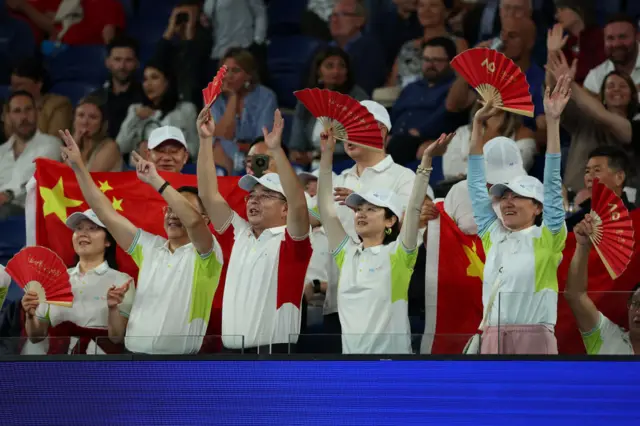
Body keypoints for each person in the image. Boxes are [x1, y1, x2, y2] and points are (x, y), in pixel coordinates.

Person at [59, 129, 224, 354]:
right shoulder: (149, 247)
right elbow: (106, 213)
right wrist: (79, 166)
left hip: (179, 367)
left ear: (205, 219)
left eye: (182, 209)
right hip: (133, 363)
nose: (173, 214)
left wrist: (156, 181)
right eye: (170, 209)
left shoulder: (208, 254)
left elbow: (194, 224)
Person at [318, 124, 451, 353]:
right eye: (359, 208)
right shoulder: (346, 254)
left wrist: (426, 161)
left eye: (372, 209)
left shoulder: (399, 256)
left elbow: (415, 207)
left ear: (390, 221)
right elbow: (324, 207)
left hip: (392, 368)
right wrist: (327, 153)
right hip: (351, 368)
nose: (361, 213)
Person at [466, 74, 571, 355]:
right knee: (490, 401)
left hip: (535, 337)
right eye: (504, 196)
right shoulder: (492, 235)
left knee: (535, 401)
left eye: (519, 196)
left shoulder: (548, 236)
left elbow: (551, 183)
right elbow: (475, 184)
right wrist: (478, 124)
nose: (508, 202)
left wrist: (552, 121)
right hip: (492, 336)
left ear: (538, 207)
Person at [196, 107, 312, 353]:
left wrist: (277, 151)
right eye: (252, 195)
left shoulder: (293, 242)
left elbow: (300, 204)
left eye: (266, 195)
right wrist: (206, 141)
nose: (254, 200)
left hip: (276, 356)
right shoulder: (239, 234)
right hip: (231, 355)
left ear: (285, 208)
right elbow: (207, 193)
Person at [21, 209, 135, 354]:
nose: (83, 233)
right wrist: (30, 314)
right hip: (56, 366)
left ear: (108, 241)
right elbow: (36, 337)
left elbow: (117, 338)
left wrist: (112, 308)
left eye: (92, 228)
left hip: (100, 366)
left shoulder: (122, 281)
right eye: (78, 228)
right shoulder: (53, 279)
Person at [546, 50, 640, 192]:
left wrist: (570, 83)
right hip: (573, 198)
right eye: (610, 86)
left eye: (622, 86)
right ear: (602, 96)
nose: (616, 90)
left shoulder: (634, 127)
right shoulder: (583, 119)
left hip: (617, 204)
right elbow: (555, 97)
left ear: (632, 96)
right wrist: (553, 52)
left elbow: (603, 116)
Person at [565, 216, 639, 354]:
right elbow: (575, 296)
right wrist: (583, 247)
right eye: (636, 304)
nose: (638, 312)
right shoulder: (606, 335)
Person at [288, 46, 369, 166]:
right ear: (318, 71)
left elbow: (357, 144)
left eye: (341, 66)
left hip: (346, 163)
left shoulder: (358, 98)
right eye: (329, 66)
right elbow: (296, 143)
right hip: (311, 164)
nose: (336, 71)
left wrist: (317, 155)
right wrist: (297, 154)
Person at [210, 47, 277, 175]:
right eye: (225, 71)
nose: (229, 76)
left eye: (235, 71)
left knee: (262, 149)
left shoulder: (266, 97)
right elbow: (222, 134)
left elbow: (262, 138)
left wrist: (245, 147)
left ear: (248, 75)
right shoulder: (213, 97)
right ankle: (223, 190)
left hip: (257, 154)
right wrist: (232, 97)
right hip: (226, 154)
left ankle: (255, 186)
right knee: (217, 145)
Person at [116, 58, 198, 160]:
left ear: (167, 81)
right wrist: (135, 118)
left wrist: (166, 150)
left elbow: (195, 149)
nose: (148, 84)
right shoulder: (136, 110)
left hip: (175, 169)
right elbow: (121, 147)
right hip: (141, 170)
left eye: (154, 78)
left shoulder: (186, 109)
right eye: (145, 79)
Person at [0, 90, 60, 219]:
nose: (24, 117)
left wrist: (8, 194)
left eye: (28, 110)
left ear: (37, 112)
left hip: (29, 212)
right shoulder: (2, 151)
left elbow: (37, 183)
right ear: (8, 116)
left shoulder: (50, 144)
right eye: (17, 111)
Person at [565, 146, 636, 231]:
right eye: (587, 171)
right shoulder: (579, 220)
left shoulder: (634, 219)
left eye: (597, 170)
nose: (589, 178)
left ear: (619, 177)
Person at [91, 35, 144, 139]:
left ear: (137, 63)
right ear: (108, 62)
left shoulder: (146, 98)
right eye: (117, 59)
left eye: (128, 60)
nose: (122, 66)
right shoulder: (96, 98)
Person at [7, 58, 72, 137]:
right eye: (12, 85)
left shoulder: (59, 105)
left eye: (19, 85)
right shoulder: (10, 105)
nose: (13, 90)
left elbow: (55, 141)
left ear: (38, 84)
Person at [584, 14, 640, 95]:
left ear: (637, 37)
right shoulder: (596, 77)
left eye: (623, 37)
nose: (616, 44)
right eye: (610, 38)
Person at [70, 96, 123, 172]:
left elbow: (90, 179)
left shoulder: (110, 147)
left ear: (102, 123)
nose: (85, 122)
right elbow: (61, 175)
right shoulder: (76, 145)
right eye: (81, 115)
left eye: (92, 117)